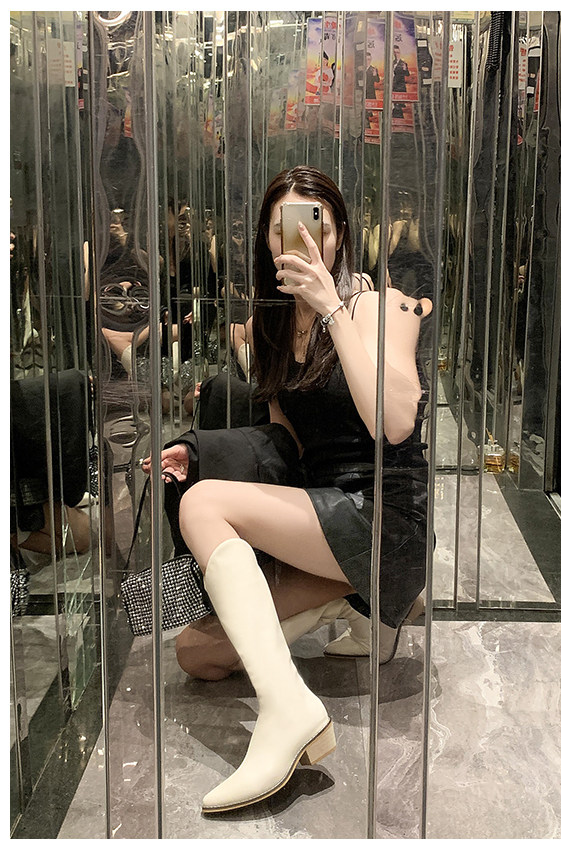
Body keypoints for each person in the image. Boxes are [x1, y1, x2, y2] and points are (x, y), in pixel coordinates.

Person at [143, 166, 431, 813]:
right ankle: (355, 604)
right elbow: (286, 445)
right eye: (282, 229)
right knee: (196, 654)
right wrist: (201, 450)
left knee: (204, 504)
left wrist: (333, 309)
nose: (298, 240)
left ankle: (287, 710)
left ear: (339, 234)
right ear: (266, 240)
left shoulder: (381, 307)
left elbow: (393, 423)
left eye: (313, 224)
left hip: (386, 520)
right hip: (322, 524)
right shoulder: (270, 325)